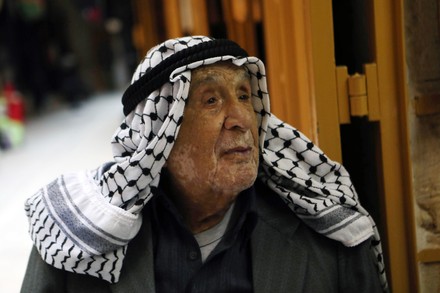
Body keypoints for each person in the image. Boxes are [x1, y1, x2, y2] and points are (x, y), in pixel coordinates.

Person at [21, 36, 387, 292]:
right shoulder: (74, 244)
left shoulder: (328, 239)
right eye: (211, 100)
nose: (241, 117)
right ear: (160, 132)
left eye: (245, 95)